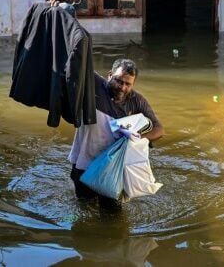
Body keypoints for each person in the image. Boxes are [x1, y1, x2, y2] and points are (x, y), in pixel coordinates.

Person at [68, 58, 164, 209]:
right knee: (83, 210)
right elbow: (75, 63)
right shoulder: (94, 85)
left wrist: (138, 137)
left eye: (128, 84)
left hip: (112, 170)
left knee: (112, 216)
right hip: (84, 164)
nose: (122, 87)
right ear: (109, 75)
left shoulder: (137, 100)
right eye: (119, 81)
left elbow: (159, 129)